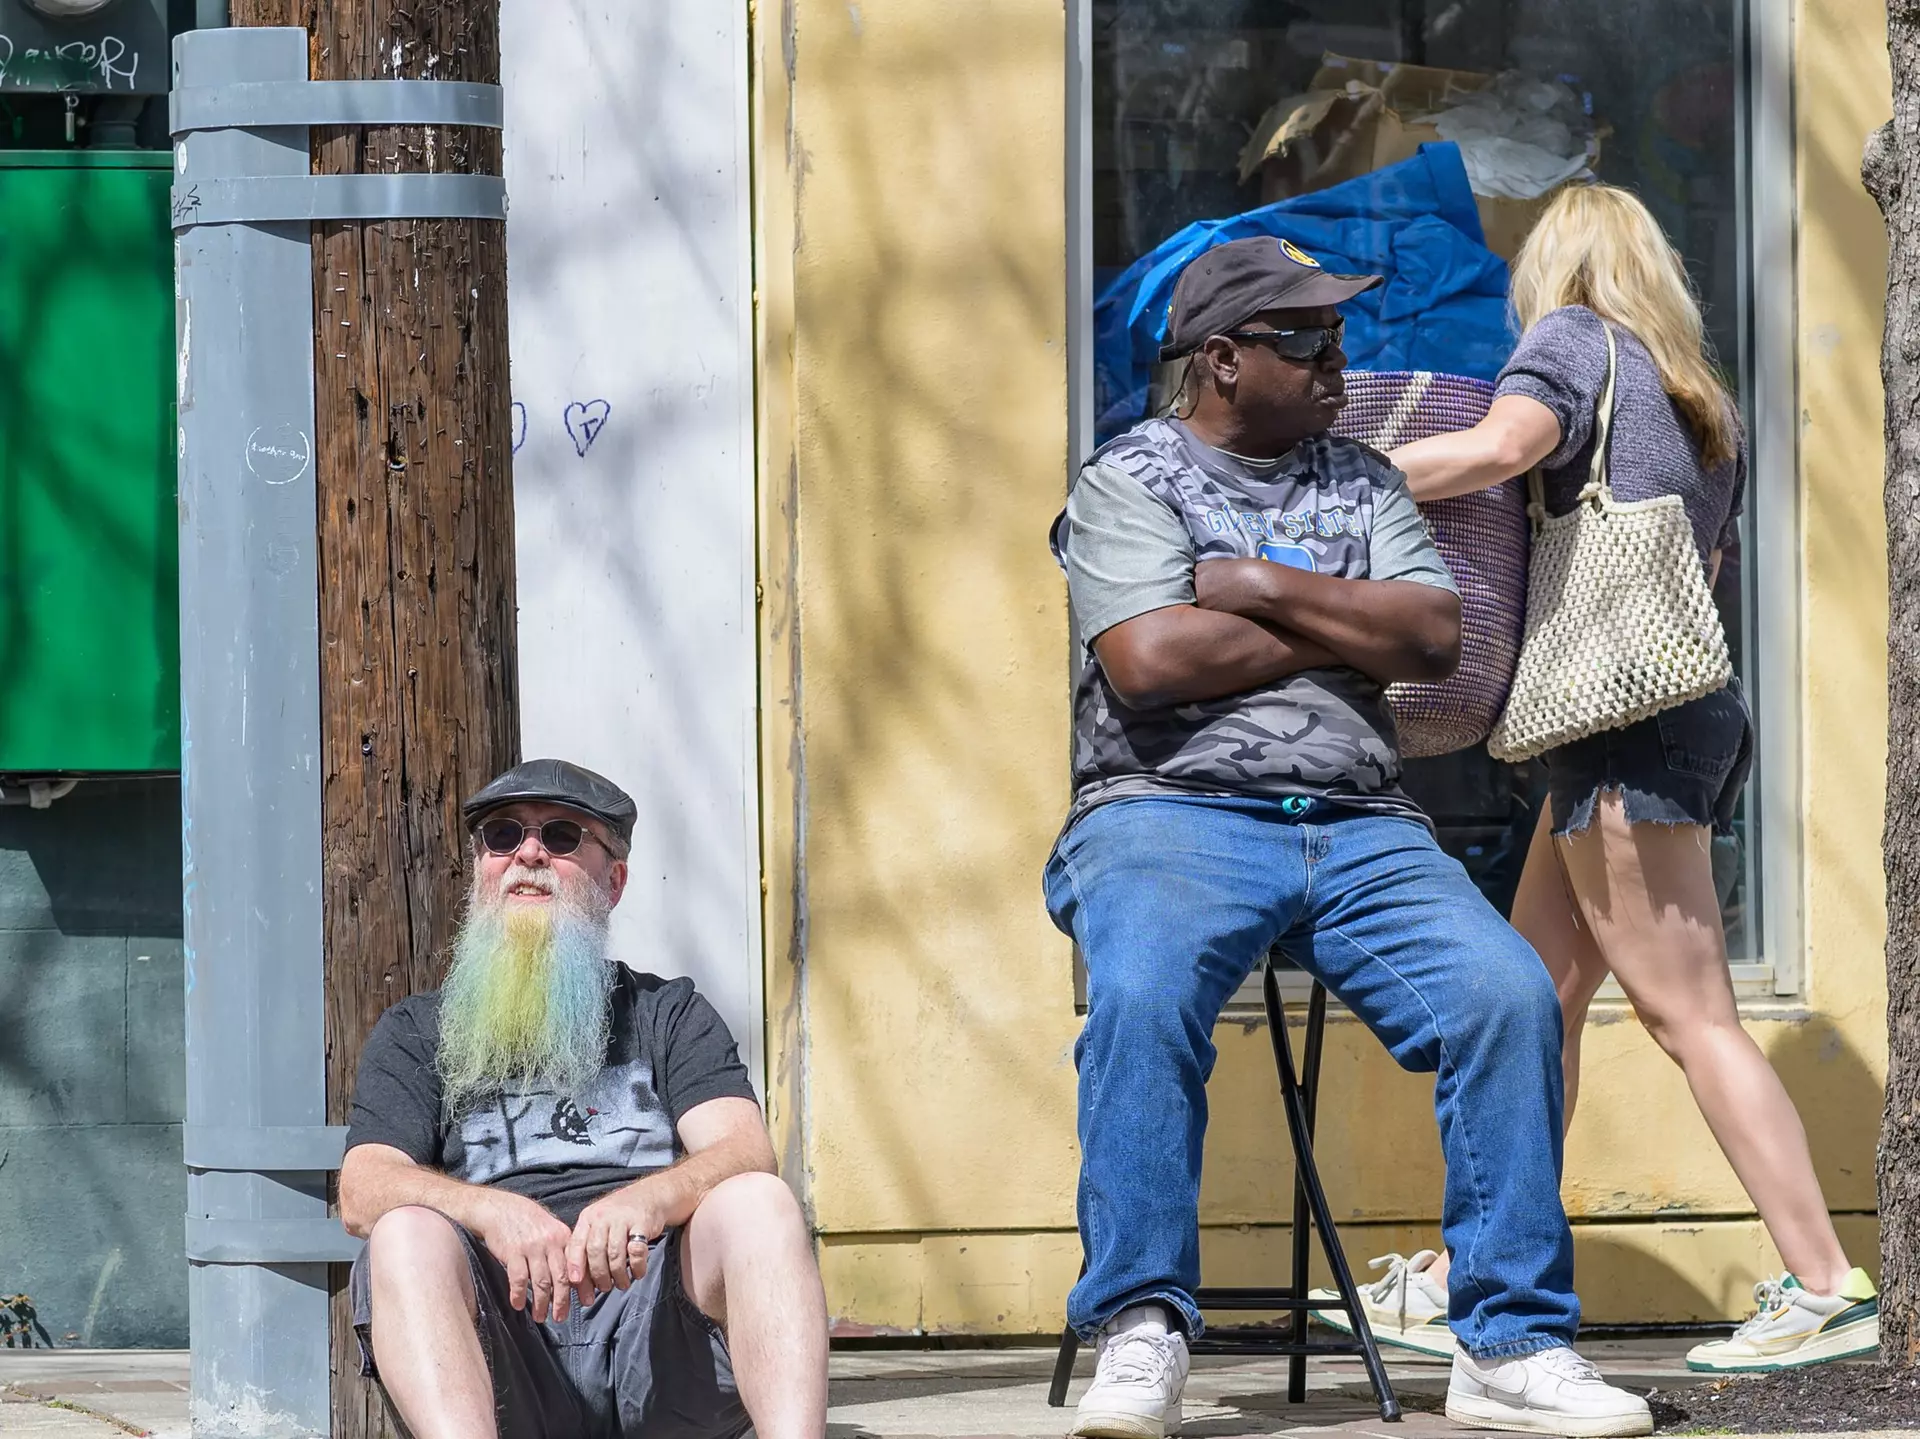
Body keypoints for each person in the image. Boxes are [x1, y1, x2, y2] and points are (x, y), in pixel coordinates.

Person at [1046, 234, 1652, 1438]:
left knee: (1507, 997)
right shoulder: (1129, 478)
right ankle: (1141, 1323)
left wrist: (1258, 585)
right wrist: (1347, 619)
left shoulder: (1365, 478)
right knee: (1145, 994)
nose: (1339, 359)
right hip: (1167, 811)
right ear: (1222, 358)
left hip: (1364, 822)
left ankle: (1509, 1344)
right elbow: (1151, 658)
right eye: (1306, 340)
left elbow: (1432, 636)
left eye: (1338, 334)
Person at [1384, 183, 1879, 1373]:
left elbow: (1500, 448)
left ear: (1556, 267)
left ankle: (1826, 1283)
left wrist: (1344, 475)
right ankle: (1464, 1273)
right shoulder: (1700, 396)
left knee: (1688, 1012)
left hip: (1622, 730)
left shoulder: (1570, 340)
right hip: (1657, 716)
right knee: (1532, 1006)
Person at [337, 758, 829, 1439]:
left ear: (613, 880)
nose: (528, 854)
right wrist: (491, 1210)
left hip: (656, 1337)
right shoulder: (417, 1029)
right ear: (481, 870)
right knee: (403, 1232)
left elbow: (745, 1149)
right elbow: (362, 1188)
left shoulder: (668, 1012)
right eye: (503, 835)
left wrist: (646, 1200)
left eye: (562, 836)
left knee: (759, 1202)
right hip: (503, 1346)